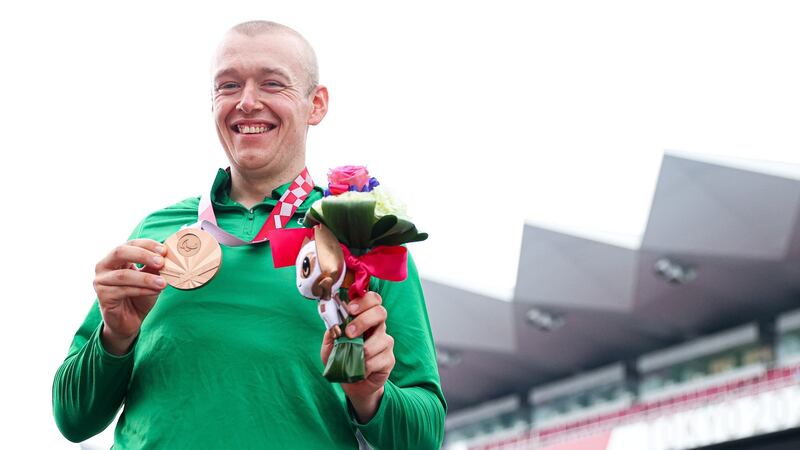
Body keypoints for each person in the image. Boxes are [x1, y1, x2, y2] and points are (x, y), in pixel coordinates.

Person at [52, 20, 446, 449]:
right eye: (228, 85)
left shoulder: (363, 236)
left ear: (316, 104)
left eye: (273, 84)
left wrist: (369, 396)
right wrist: (116, 335)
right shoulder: (156, 233)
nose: (248, 101)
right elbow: (73, 418)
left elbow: (423, 437)